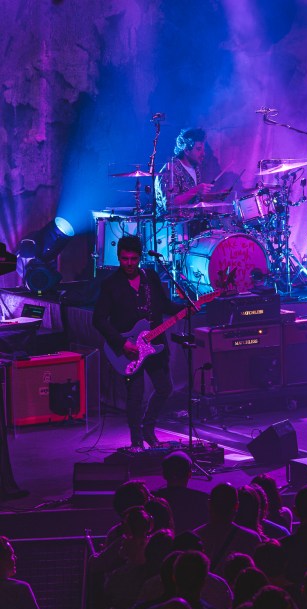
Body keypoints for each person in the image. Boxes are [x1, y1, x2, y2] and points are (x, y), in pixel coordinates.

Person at [92, 235, 184, 449]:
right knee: (136, 396)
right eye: (125, 259)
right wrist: (121, 343)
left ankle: (148, 429)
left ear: (140, 257)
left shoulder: (150, 277)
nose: (130, 263)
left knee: (164, 388)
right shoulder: (111, 285)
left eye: (134, 259)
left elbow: (165, 305)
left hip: (154, 345)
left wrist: (186, 308)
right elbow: (98, 319)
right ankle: (136, 441)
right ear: (119, 257)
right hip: (129, 350)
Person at [154, 127, 215, 213]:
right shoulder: (170, 170)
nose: (203, 153)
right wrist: (196, 189)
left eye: (203, 150)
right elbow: (170, 204)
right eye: (198, 149)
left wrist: (216, 196)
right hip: (171, 224)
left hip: (190, 222)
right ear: (186, 150)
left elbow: (193, 198)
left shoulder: (195, 168)